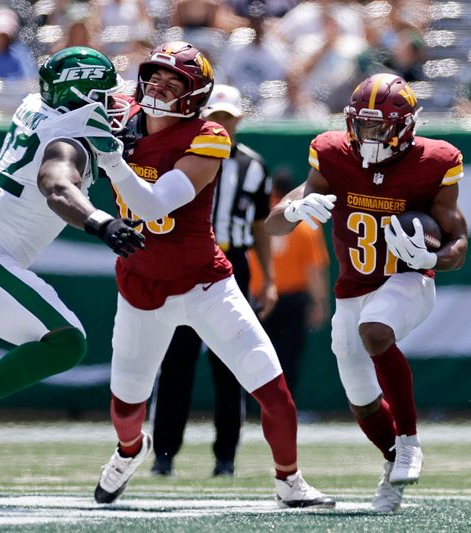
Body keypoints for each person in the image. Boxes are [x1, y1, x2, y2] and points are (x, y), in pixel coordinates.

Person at [90, 41, 334, 509]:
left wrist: (112, 159)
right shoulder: (119, 120)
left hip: (206, 282)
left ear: (194, 94)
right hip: (141, 286)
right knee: (126, 404)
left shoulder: (208, 136)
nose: (159, 87)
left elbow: (155, 203)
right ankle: (128, 451)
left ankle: (289, 479)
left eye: (173, 82)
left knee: (274, 390)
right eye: (154, 77)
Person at [265, 72, 468, 512]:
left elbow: (458, 242)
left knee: (374, 331)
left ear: (407, 127)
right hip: (352, 287)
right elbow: (274, 223)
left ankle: (410, 441)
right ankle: (394, 461)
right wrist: (295, 208)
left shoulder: (435, 161)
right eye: (362, 125)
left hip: (409, 279)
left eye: (380, 128)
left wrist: (433, 259)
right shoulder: (333, 153)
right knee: (360, 399)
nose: (368, 137)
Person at [0, 46, 144, 472]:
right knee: (67, 341)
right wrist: (100, 223)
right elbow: (57, 186)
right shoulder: (68, 140)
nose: (115, 104)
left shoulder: (39, 104)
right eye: (105, 96)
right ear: (80, 97)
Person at [150, 83, 278, 478]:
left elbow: (259, 224)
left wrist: (268, 276)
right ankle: (164, 454)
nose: (221, 123)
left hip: (232, 261)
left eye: (227, 117)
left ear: (237, 120)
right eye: (215, 116)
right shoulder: (182, 154)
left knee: (232, 365)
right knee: (176, 362)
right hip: (187, 259)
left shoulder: (253, 165)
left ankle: (226, 457)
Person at [248, 172, 330, 396]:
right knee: (287, 359)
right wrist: (320, 302)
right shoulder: (306, 225)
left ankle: (254, 407)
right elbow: (314, 269)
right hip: (292, 301)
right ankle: (284, 406)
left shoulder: (257, 219)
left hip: (259, 296)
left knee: (255, 357)